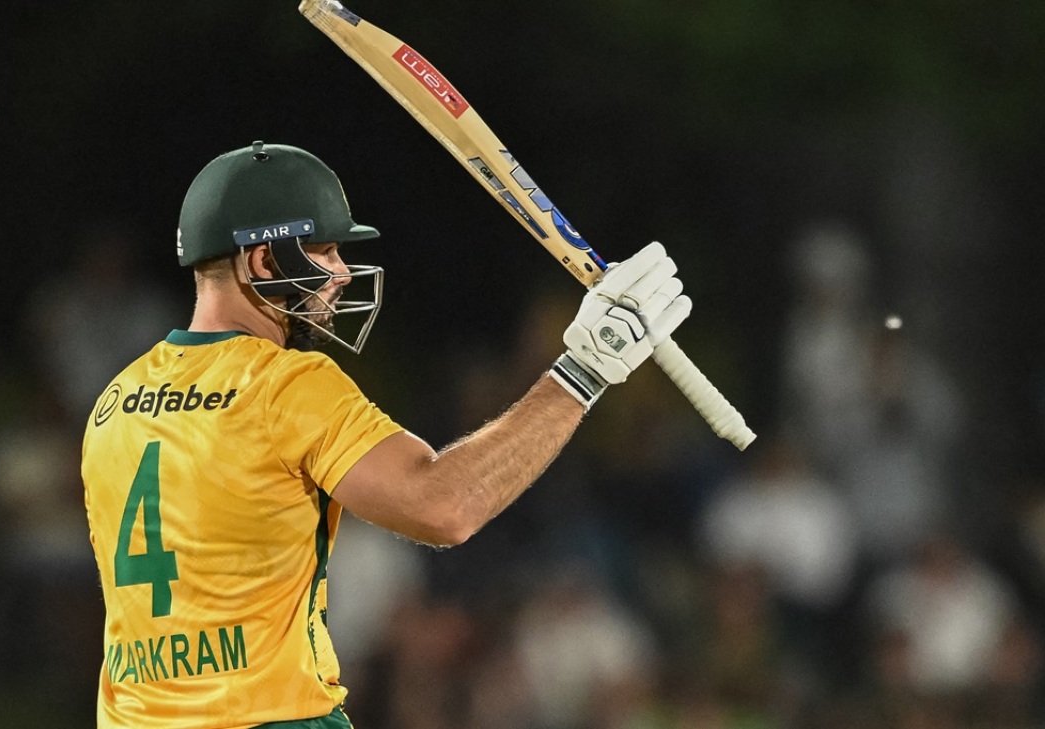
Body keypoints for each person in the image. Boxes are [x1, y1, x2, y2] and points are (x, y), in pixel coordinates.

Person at [81, 141, 692, 728]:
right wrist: (583, 372)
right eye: (324, 251)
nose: (342, 273)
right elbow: (445, 507)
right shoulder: (285, 384)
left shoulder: (116, 402)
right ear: (263, 262)